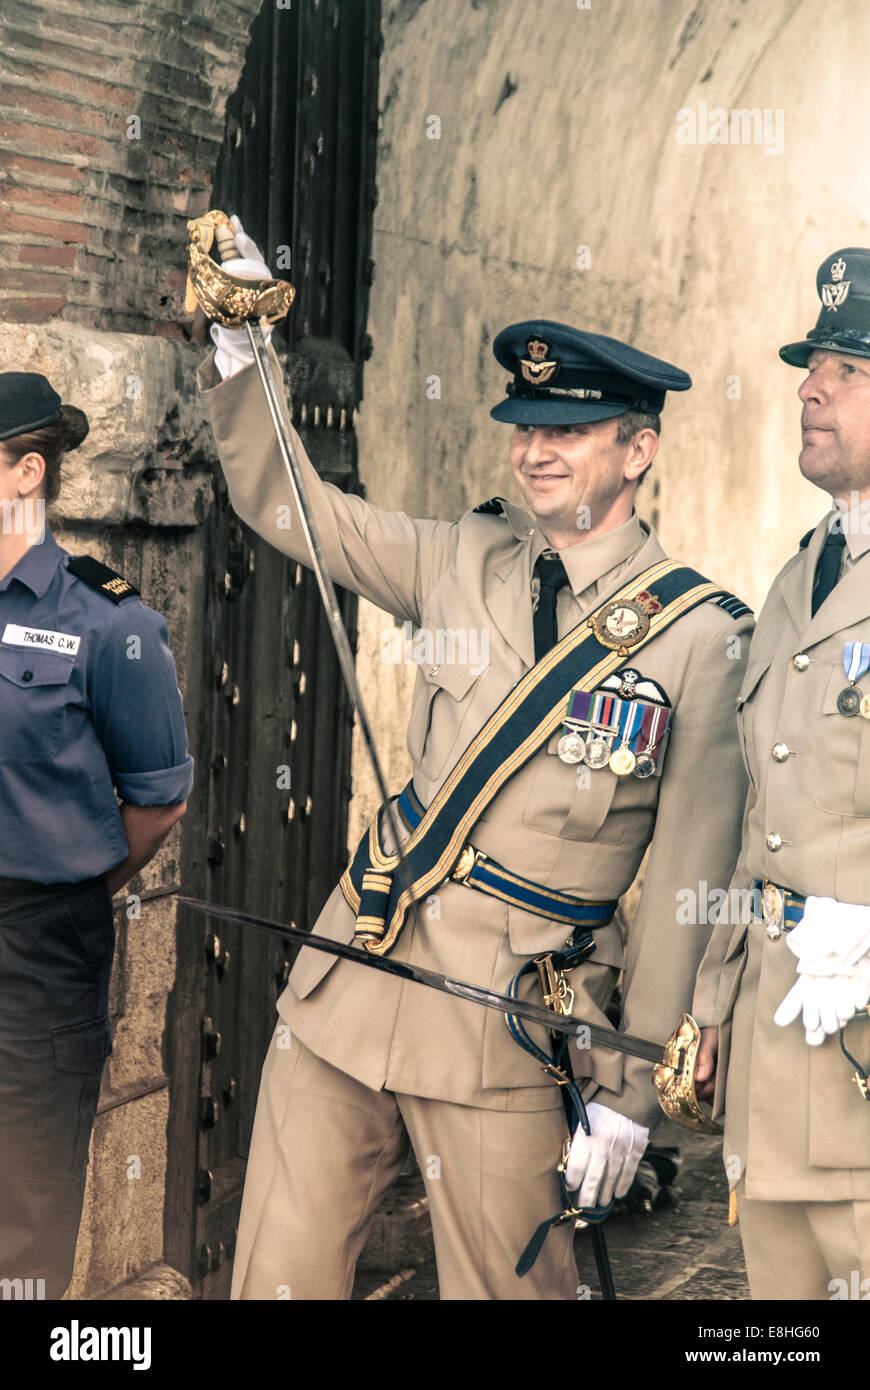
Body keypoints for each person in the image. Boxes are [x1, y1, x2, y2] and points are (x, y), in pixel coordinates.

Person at [197, 219, 752, 1300]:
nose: (535, 448)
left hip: (508, 1030)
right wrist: (241, 353)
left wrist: (635, 1095)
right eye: (524, 425)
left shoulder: (701, 640)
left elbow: (688, 884)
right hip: (352, 981)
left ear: (637, 449)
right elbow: (299, 514)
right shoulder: (464, 554)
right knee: (276, 1281)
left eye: (569, 429)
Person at [694, 248, 870, 1300]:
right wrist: (712, 999)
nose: (809, 386)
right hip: (777, 1043)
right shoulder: (800, 570)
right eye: (813, 364)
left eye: (846, 367)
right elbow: (759, 810)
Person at [0, 371, 194, 1300]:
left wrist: (71, 882)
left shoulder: (108, 622)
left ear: (26, 472)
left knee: (25, 1210)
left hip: (38, 946)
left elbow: (157, 799)